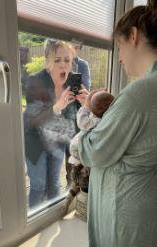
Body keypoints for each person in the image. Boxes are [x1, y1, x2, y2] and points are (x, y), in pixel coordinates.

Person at [77, 0, 157, 247]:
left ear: (133, 36)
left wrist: (89, 118)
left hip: (127, 207)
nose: (119, 59)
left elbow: (93, 152)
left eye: (119, 47)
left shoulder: (138, 93)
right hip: (155, 194)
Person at [23, 39, 89, 209]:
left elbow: (80, 117)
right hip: (35, 141)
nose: (63, 66)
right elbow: (32, 121)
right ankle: (35, 225)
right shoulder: (34, 81)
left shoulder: (72, 83)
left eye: (67, 60)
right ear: (48, 61)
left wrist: (87, 102)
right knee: (39, 186)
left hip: (57, 141)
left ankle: (53, 218)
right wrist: (57, 107)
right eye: (57, 60)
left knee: (53, 184)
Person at [64, 90, 114, 214]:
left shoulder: (95, 121)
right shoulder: (105, 120)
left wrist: (85, 106)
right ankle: (75, 186)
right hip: (85, 153)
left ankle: (73, 188)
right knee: (82, 174)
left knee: (79, 174)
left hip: (77, 150)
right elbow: (98, 109)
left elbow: (82, 122)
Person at [64, 42, 93, 188]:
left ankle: (77, 187)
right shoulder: (58, 63)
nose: (74, 49)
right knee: (67, 156)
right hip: (61, 116)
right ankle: (70, 187)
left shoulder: (82, 65)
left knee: (76, 156)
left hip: (78, 117)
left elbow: (85, 90)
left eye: (77, 46)